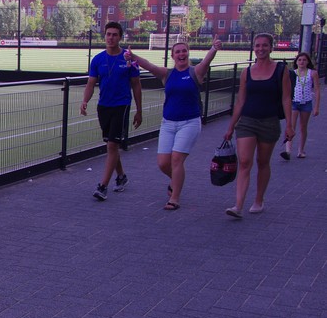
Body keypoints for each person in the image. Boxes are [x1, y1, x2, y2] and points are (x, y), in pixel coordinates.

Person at [124, 38, 222, 210]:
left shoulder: (195, 72)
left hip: (189, 123)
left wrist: (214, 48)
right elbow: (149, 66)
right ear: (172, 56)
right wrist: (133, 57)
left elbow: (206, 61)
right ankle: (177, 180)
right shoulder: (167, 74)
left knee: (176, 159)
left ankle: (174, 198)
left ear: (188, 53)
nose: (181, 54)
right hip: (168, 123)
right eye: (177, 52)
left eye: (184, 51)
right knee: (163, 163)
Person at [222, 33, 293, 218]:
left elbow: (286, 98)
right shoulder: (247, 72)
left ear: (271, 48)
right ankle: (238, 206)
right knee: (245, 161)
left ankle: (259, 200)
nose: (261, 49)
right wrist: (231, 126)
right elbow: (240, 101)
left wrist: (290, 125)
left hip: (269, 122)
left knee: (262, 162)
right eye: (257, 45)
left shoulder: (281, 70)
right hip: (247, 121)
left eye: (264, 45)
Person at [80, 21, 143, 201]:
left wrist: (139, 110)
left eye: (115, 35)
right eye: (108, 34)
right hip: (104, 106)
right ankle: (121, 176)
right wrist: (85, 100)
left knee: (112, 146)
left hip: (121, 105)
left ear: (120, 37)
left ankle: (103, 186)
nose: (111, 38)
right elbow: (91, 83)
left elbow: (136, 85)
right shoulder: (98, 59)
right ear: (105, 36)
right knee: (111, 144)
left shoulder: (129, 59)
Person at [281, 51, 320, 160]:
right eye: (299, 60)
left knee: (303, 127)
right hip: (294, 102)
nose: (302, 62)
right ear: (296, 62)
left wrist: (316, 107)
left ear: (308, 62)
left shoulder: (312, 73)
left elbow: (317, 90)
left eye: (304, 60)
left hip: (306, 103)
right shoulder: (292, 73)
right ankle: (288, 151)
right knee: (291, 126)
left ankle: (301, 150)